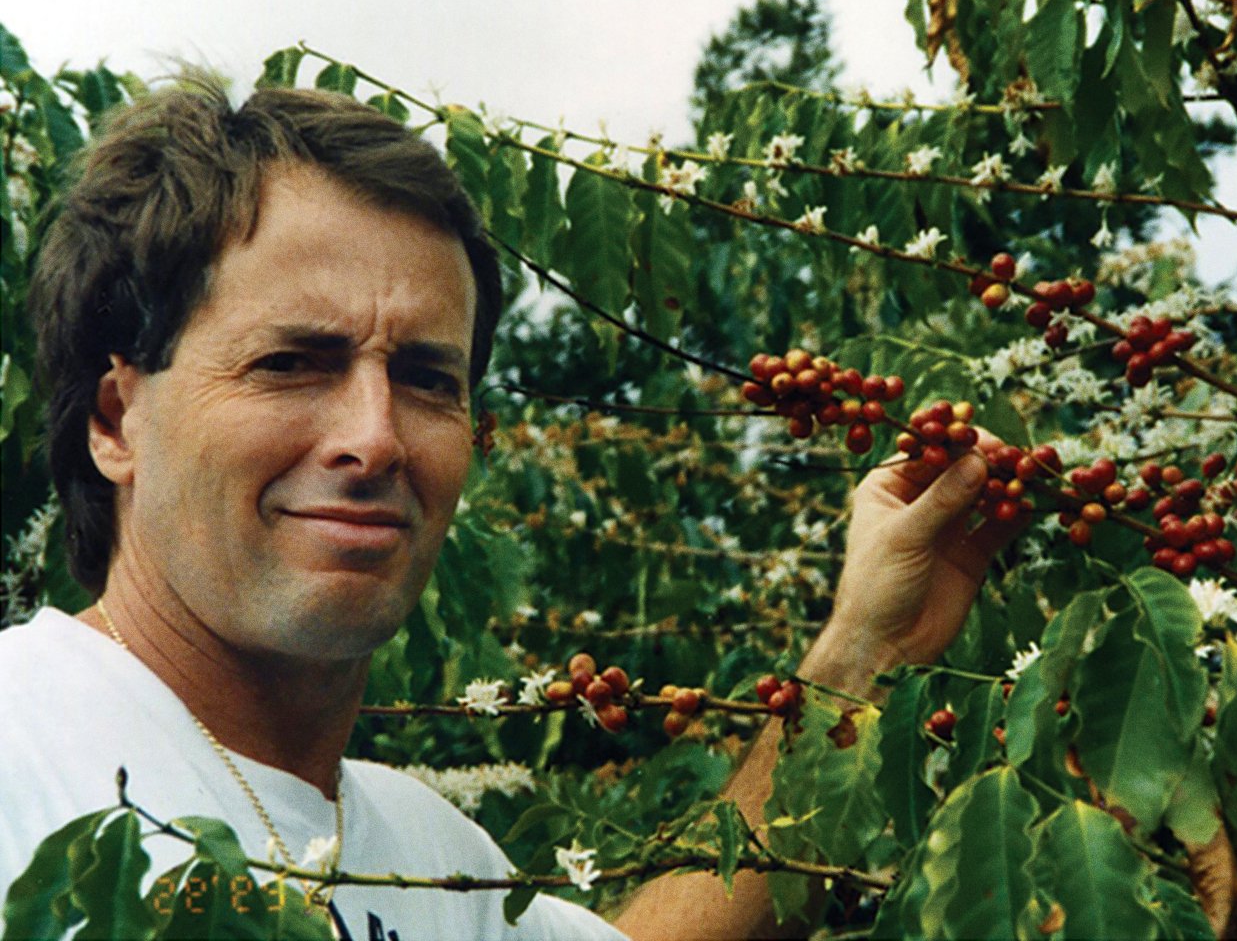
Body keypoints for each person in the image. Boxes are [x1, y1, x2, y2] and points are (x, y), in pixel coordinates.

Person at [0, 80, 1021, 940]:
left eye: (427, 378)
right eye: (289, 364)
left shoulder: (444, 867)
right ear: (115, 422)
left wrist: (860, 654)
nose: (378, 436)